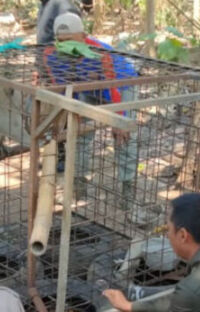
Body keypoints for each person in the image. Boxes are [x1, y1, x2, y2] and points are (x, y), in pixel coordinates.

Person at [40, 12, 139, 208]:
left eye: (70, 41)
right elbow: (64, 89)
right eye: (61, 41)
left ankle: (128, 195)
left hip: (121, 85)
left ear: (83, 36)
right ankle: (79, 190)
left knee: (124, 138)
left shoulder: (99, 54)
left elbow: (113, 88)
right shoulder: (51, 56)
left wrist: (120, 120)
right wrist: (73, 115)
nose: (66, 46)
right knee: (79, 137)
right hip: (88, 89)